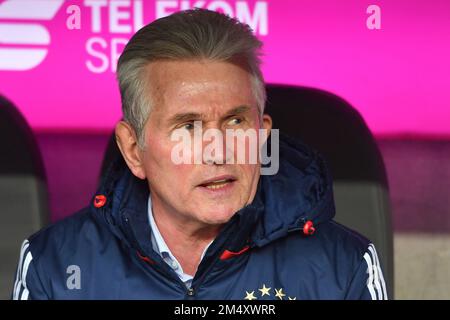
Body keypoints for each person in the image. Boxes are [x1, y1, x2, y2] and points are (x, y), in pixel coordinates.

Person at [12, 8, 387, 300]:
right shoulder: (54, 266)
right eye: (188, 126)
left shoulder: (344, 265)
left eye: (236, 121)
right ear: (133, 150)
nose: (218, 150)